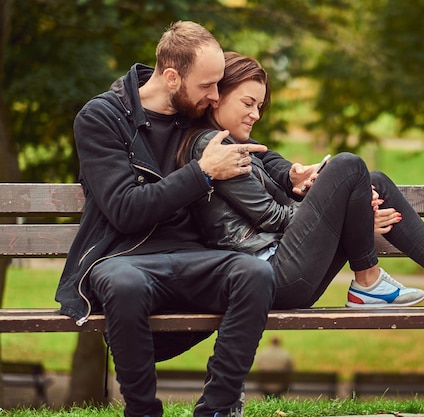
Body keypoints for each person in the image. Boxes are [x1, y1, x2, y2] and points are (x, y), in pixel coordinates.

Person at [177, 52, 424, 310]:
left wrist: (347, 212)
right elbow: (274, 218)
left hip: (284, 269)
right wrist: (351, 217)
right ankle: (372, 281)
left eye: (260, 106)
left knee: (375, 181)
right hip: (269, 276)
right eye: (248, 103)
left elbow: (277, 169)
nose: (255, 114)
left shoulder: (237, 145)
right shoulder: (213, 148)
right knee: (347, 165)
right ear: (216, 97)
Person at [55, 22, 277, 417]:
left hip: (193, 255)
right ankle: (141, 411)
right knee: (123, 284)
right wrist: (202, 173)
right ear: (172, 77)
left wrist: (290, 171)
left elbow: (252, 150)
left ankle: (217, 408)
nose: (215, 96)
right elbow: (125, 210)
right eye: (208, 85)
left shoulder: (195, 110)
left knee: (254, 274)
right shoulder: (102, 117)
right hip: (121, 257)